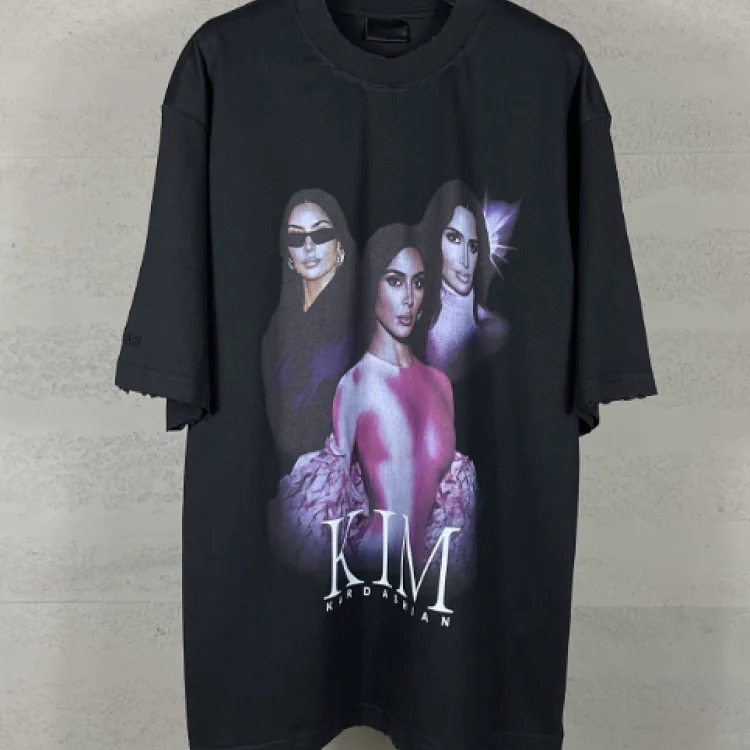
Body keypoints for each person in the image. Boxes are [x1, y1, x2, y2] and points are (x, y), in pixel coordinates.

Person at [270, 222, 477, 583]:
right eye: (394, 281)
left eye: (418, 283)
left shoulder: (441, 385)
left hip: (425, 581)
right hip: (368, 573)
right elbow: (326, 507)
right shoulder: (355, 383)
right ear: (372, 287)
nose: (408, 298)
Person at [261, 188, 358, 473]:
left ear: (340, 243)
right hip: (282, 475)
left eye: (320, 234)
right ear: (288, 251)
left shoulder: (360, 318)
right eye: (296, 237)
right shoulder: (276, 328)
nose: (308, 246)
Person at [419, 179, 513, 381]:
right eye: (454, 238)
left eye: (473, 246)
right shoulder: (410, 318)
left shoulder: (493, 329)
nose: (465, 259)